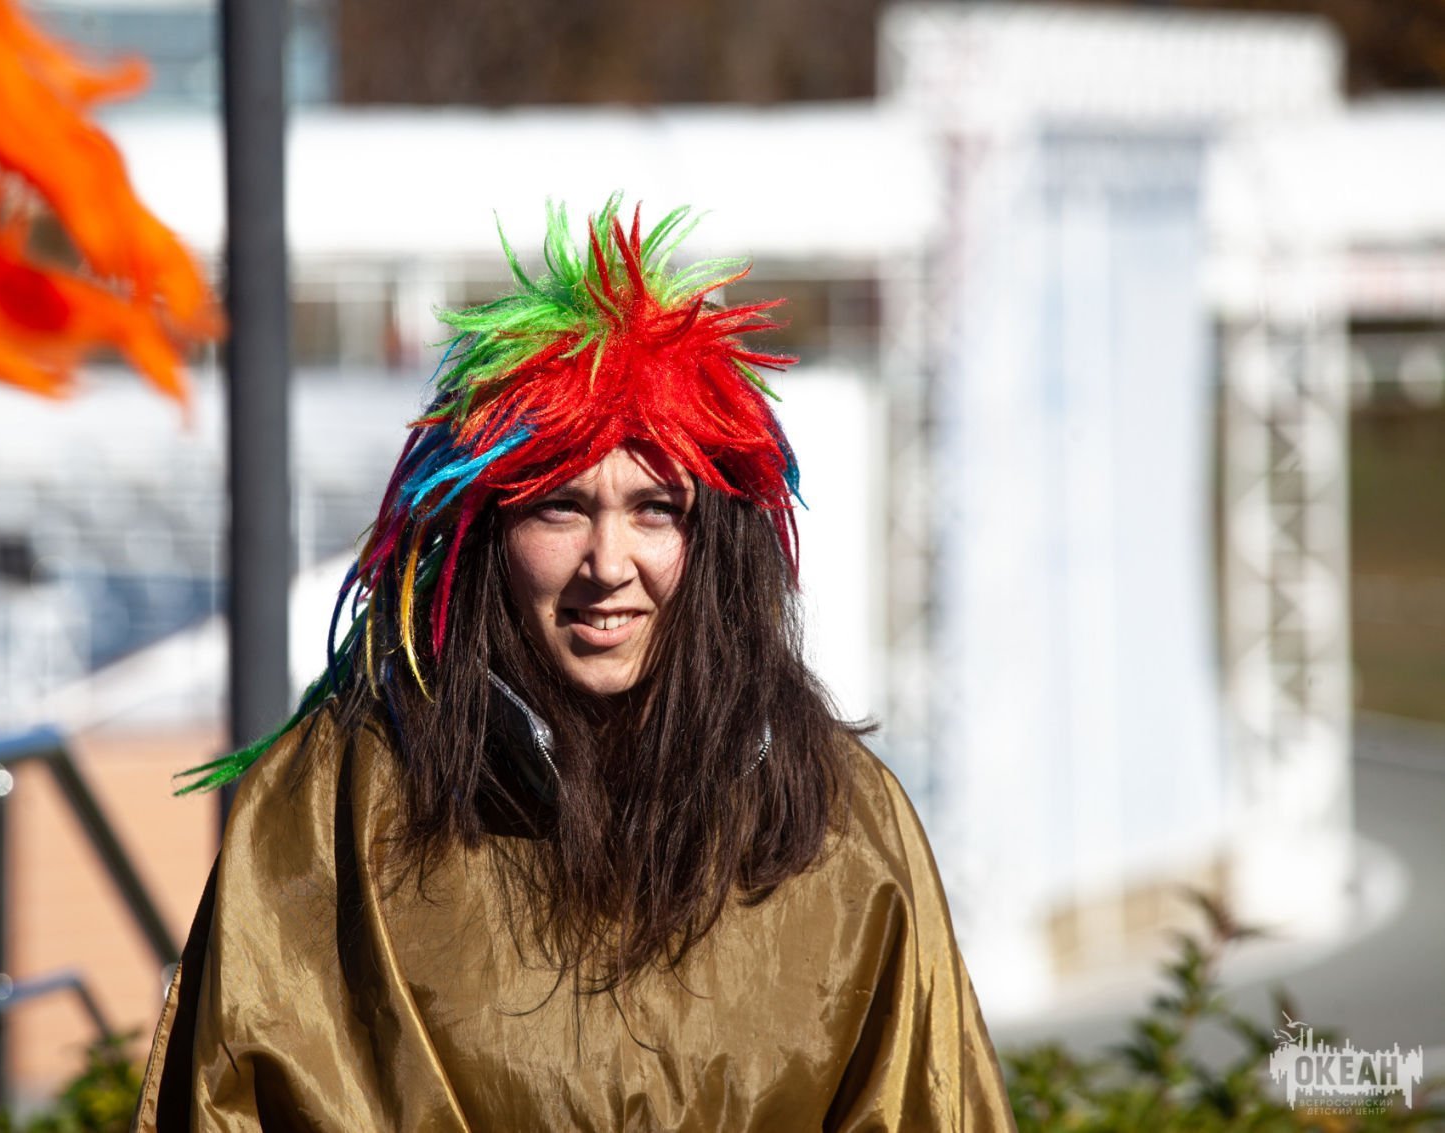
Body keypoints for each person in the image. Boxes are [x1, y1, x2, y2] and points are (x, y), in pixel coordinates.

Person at [134, 199, 1016, 1132]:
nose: (608, 564)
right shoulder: (335, 801)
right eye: (559, 506)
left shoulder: (847, 821)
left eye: (655, 509)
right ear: (483, 534)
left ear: (719, 544)